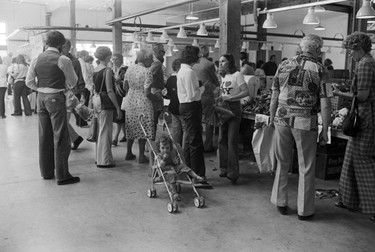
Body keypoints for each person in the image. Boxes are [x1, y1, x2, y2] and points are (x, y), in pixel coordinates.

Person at [269, 34, 332, 220]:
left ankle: (280, 202)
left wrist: (272, 118)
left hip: (282, 118)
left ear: (301, 47)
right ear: (317, 49)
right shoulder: (321, 70)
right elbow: (326, 104)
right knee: (306, 165)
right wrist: (325, 130)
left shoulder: (283, 65)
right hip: (305, 122)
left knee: (282, 162)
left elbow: (274, 95)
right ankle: (304, 211)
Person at [26, 30, 80, 185]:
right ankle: (63, 176)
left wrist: (42, 89)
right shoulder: (63, 59)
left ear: (46, 43)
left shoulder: (36, 58)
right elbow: (73, 82)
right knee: (61, 137)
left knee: (44, 136)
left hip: (40, 98)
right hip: (56, 98)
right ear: (61, 44)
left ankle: (47, 172)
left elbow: (29, 82)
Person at [334, 32, 375, 222]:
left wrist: (341, 93)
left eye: (351, 50)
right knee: (350, 158)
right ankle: (348, 199)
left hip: (366, 119)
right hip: (362, 116)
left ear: (358, 47)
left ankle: (372, 206)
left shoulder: (366, 64)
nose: (350, 54)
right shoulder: (364, 62)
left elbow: (363, 96)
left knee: (362, 161)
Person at [177, 45, 207, 182]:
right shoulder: (189, 72)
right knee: (195, 142)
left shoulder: (184, 70)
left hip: (185, 106)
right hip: (191, 106)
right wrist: (203, 88)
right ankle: (198, 175)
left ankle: (188, 170)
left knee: (190, 140)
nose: (200, 56)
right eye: (198, 54)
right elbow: (193, 95)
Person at [217, 53, 249, 183]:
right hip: (222, 108)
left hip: (234, 108)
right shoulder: (223, 76)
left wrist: (231, 98)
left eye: (223, 61)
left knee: (231, 141)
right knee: (221, 140)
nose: (220, 63)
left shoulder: (237, 75)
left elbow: (246, 91)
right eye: (219, 61)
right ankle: (223, 168)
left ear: (230, 62)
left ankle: (233, 172)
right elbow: (222, 91)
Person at [92, 46, 122, 168]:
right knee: (106, 130)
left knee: (100, 129)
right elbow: (110, 91)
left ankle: (98, 157)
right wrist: (118, 107)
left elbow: (94, 87)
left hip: (96, 100)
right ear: (108, 56)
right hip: (105, 102)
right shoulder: (107, 70)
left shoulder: (96, 69)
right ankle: (105, 160)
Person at [123, 48, 155, 164]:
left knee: (131, 126)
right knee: (143, 127)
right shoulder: (147, 72)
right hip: (143, 102)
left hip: (130, 100)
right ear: (146, 59)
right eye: (151, 59)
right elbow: (147, 92)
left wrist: (132, 90)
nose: (152, 61)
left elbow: (124, 87)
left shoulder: (129, 69)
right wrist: (155, 99)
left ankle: (129, 152)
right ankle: (141, 155)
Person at [155, 135, 205, 201]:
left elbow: (175, 163)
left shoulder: (172, 153)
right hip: (164, 172)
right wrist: (164, 159)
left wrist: (176, 162)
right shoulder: (159, 156)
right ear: (159, 148)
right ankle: (174, 193)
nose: (165, 150)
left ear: (170, 148)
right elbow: (160, 166)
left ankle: (196, 176)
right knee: (171, 174)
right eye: (163, 148)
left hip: (173, 168)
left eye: (167, 148)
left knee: (183, 166)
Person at [193, 45, 220, 152]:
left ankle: (197, 143)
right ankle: (208, 145)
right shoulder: (209, 64)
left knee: (198, 121)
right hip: (208, 95)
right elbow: (215, 80)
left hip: (196, 95)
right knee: (209, 121)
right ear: (208, 53)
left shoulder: (194, 64)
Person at [61, 39, 84, 151]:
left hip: (71, 93)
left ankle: (72, 140)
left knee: (63, 121)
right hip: (65, 93)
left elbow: (75, 78)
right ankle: (75, 138)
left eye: (63, 46)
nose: (61, 48)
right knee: (63, 121)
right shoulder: (61, 58)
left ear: (68, 47)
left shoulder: (73, 61)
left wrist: (77, 92)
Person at [164, 58, 183, 146]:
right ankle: (184, 150)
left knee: (175, 129)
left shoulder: (170, 79)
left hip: (172, 106)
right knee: (185, 128)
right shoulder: (182, 77)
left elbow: (167, 94)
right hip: (182, 106)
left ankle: (176, 148)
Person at [111, 53, 128, 146]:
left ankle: (115, 138)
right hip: (114, 95)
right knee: (121, 118)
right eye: (113, 59)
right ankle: (125, 135)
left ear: (121, 59)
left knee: (119, 117)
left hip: (122, 95)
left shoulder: (125, 69)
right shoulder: (112, 70)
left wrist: (120, 82)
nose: (114, 61)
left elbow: (127, 82)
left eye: (116, 59)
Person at [149, 43, 165, 136]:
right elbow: (148, 75)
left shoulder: (152, 62)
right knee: (154, 118)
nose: (164, 54)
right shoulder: (157, 63)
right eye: (163, 51)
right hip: (155, 91)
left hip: (154, 90)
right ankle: (152, 141)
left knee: (154, 118)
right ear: (158, 52)